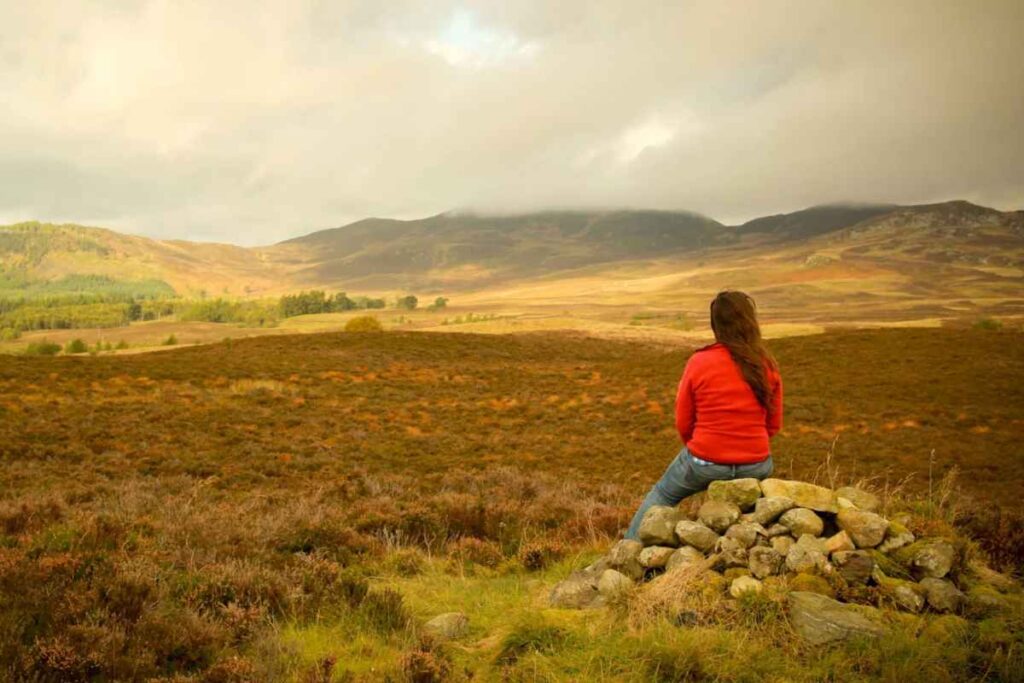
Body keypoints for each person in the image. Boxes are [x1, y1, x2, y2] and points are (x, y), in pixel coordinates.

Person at [624, 290, 783, 540]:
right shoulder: (766, 364)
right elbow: (773, 425)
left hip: (705, 461)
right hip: (757, 463)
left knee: (663, 495)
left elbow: (683, 420)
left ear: (715, 325)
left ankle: (626, 551)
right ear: (751, 322)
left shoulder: (700, 362)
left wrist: (700, 448)